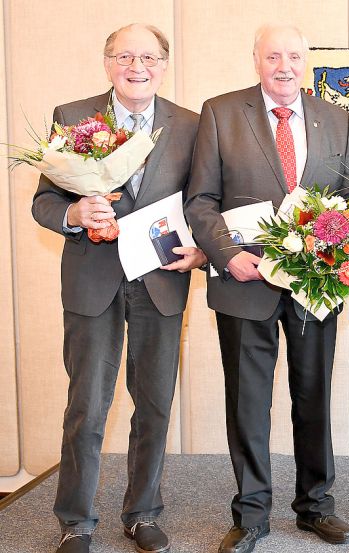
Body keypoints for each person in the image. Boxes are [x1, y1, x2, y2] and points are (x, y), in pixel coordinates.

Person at [184, 24, 349, 553]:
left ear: (307, 61)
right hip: (245, 282)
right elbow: (201, 200)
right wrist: (227, 255)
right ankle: (251, 514)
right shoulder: (220, 113)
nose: (284, 66)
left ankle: (315, 507)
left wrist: (340, 248)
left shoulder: (338, 119)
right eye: (273, 56)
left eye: (294, 57)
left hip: (314, 286)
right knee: (248, 401)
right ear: (256, 59)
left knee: (314, 397)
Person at [30, 23, 203, 553]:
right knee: (87, 404)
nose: (137, 67)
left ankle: (143, 513)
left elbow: (203, 202)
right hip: (93, 281)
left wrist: (200, 251)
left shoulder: (192, 124)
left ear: (164, 65)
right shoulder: (72, 116)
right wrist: (75, 213)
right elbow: (43, 202)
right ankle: (76, 521)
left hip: (161, 280)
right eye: (125, 56)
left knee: (154, 404)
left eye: (149, 57)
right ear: (107, 63)